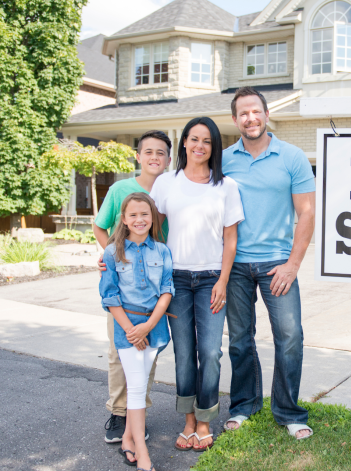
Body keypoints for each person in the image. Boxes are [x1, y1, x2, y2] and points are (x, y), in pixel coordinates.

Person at [221, 87, 316, 439]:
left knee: (290, 336)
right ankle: (244, 405)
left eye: (255, 111)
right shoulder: (224, 159)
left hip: (277, 263)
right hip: (235, 265)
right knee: (239, 340)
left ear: (266, 114)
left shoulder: (291, 157)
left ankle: (289, 412)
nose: (250, 118)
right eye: (243, 113)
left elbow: (306, 213)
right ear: (235, 120)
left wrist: (293, 264)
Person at [150, 117, 244, 451]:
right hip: (174, 280)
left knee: (210, 352)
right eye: (194, 139)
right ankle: (187, 421)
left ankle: (204, 420)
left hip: (210, 281)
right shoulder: (166, 183)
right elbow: (151, 227)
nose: (199, 146)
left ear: (213, 147)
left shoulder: (226, 187)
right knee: (184, 354)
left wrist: (222, 280)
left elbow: (230, 239)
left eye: (207, 141)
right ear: (185, 143)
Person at [93, 130, 172, 443]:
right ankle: (118, 411)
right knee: (119, 350)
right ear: (138, 156)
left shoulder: (168, 190)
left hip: (154, 285)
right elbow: (101, 226)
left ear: (168, 159)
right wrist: (112, 254)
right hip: (122, 288)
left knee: (146, 351)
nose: (154, 157)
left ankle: (138, 410)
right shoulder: (120, 188)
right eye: (148, 151)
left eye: (161, 153)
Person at [99, 192, 174, 471]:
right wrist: (132, 330)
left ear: (152, 217)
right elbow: (109, 296)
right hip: (127, 330)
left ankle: (128, 438)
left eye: (145, 214)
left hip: (153, 328)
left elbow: (167, 290)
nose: (140, 219)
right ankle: (142, 452)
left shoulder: (162, 250)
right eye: (133, 215)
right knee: (137, 386)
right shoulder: (112, 251)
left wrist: (149, 326)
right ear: (124, 219)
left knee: (139, 384)